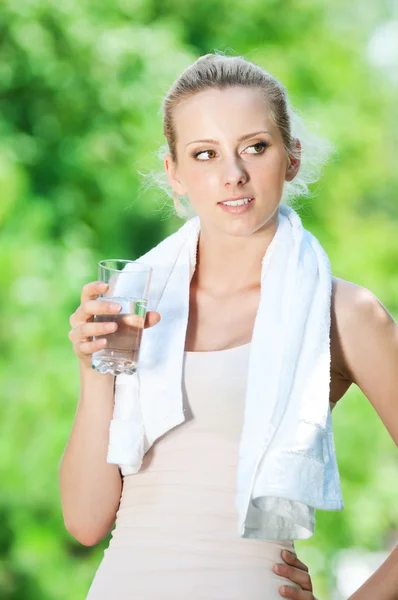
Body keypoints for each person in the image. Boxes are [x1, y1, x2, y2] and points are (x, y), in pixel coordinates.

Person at [60, 54, 398, 600]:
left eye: (255, 147)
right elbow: (84, 521)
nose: (233, 173)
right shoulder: (134, 304)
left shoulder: (344, 312)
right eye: (205, 154)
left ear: (290, 158)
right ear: (175, 173)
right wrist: (95, 370)